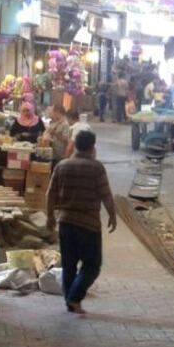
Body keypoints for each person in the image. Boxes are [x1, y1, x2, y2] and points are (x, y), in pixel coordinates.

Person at [45, 131, 117, 314]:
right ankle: (74, 298)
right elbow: (105, 194)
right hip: (88, 225)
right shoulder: (96, 168)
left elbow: (50, 194)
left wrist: (50, 217)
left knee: (69, 264)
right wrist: (112, 215)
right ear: (93, 147)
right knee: (92, 266)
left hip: (66, 223)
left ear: (75, 145)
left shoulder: (62, 166)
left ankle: (70, 301)